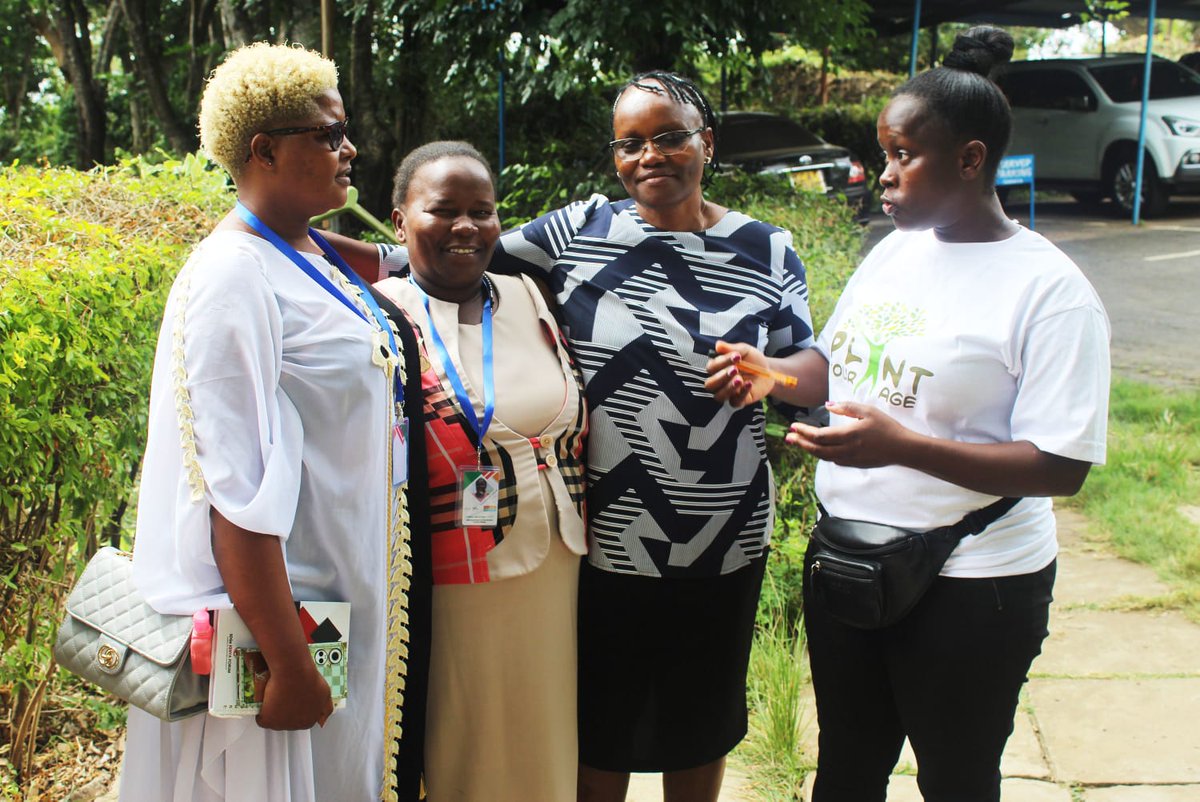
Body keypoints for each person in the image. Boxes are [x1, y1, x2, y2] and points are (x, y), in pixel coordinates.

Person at [332, 71, 815, 802]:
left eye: (670, 136)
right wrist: (290, 243)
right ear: (616, 158)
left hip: (726, 532)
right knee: (601, 726)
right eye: (630, 143)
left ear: (706, 144)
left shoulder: (767, 249)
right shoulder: (578, 230)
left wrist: (771, 374)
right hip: (606, 538)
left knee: (703, 721)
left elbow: (812, 370)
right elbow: (451, 254)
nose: (650, 154)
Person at [705, 26, 1110, 801]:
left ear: (970, 159)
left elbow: (1062, 465)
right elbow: (834, 362)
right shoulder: (894, 250)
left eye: (902, 156)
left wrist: (900, 447)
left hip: (972, 579)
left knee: (955, 778)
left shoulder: (1050, 292)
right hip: (851, 558)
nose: (883, 177)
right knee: (848, 768)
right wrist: (774, 376)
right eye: (883, 154)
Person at [119, 42, 429, 802]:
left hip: (348, 589)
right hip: (291, 619)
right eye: (328, 134)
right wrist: (288, 665)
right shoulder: (232, 277)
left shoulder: (305, 249)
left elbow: (399, 264)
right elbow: (233, 493)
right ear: (263, 150)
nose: (349, 148)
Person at [372, 141, 588, 801]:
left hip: (555, 567)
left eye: (482, 211)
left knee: (544, 737)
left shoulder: (531, 297)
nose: (467, 226)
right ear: (401, 222)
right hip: (448, 580)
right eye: (444, 210)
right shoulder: (376, 314)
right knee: (462, 741)